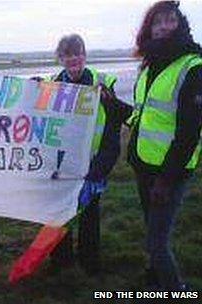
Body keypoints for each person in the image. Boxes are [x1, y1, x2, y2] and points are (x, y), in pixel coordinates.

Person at [41, 34, 132, 274]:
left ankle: (90, 262)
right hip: (59, 165)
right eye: (68, 54)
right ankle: (60, 261)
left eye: (78, 52)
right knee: (59, 215)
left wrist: (102, 166)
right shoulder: (50, 85)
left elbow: (114, 127)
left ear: (85, 55)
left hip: (92, 165)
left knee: (89, 215)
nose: (74, 59)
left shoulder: (103, 83)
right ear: (60, 58)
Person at [127, 1, 202, 291]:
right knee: (153, 234)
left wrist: (166, 180)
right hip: (143, 165)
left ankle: (176, 291)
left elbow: (189, 133)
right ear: (150, 29)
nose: (163, 26)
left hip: (168, 174)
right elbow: (141, 115)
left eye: (170, 20)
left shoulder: (193, 67)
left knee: (155, 243)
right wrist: (112, 104)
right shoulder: (149, 65)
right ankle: (154, 284)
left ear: (180, 24)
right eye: (157, 22)